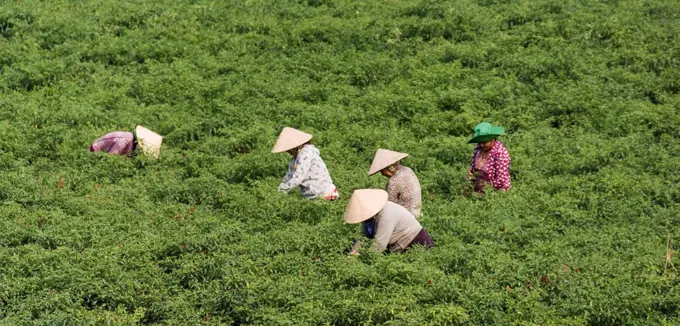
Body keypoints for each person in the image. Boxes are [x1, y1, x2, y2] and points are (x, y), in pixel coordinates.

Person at [345, 189, 433, 254]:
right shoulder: (371, 216)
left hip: (415, 243)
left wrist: (363, 260)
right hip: (400, 244)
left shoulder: (386, 215)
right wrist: (353, 252)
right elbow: (363, 237)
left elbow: (378, 246)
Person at [272, 127, 338, 200]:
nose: (287, 151)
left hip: (325, 194)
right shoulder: (294, 159)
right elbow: (289, 176)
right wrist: (279, 190)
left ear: (296, 145)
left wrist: (280, 192)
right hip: (312, 196)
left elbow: (297, 178)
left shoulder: (305, 154)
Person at [368, 149, 422, 218]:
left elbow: (389, 205)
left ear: (387, 168)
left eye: (382, 171)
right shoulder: (407, 169)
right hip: (416, 212)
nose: (382, 174)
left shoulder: (393, 181)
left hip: (406, 217)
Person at [467, 122, 511, 193]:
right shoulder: (478, 149)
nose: (481, 145)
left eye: (484, 142)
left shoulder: (500, 153)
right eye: (480, 142)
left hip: (494, 191)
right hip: (477, 188)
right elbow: (472, 168)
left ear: (492, 139)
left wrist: (485, 187)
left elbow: (501, 180)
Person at [89, 125, 163, 158]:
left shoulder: (133, 142)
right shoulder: (126, 140)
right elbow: (112, 156)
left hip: (104, 154)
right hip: (95, 152)